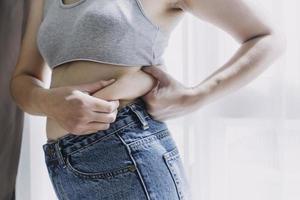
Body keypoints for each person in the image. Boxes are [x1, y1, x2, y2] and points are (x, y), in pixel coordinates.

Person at [10, 0, 285, 199]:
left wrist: (196, 96)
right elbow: (22, 79)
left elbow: (268, 37)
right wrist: (50, 102)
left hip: (127, 150)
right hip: (63, 162)